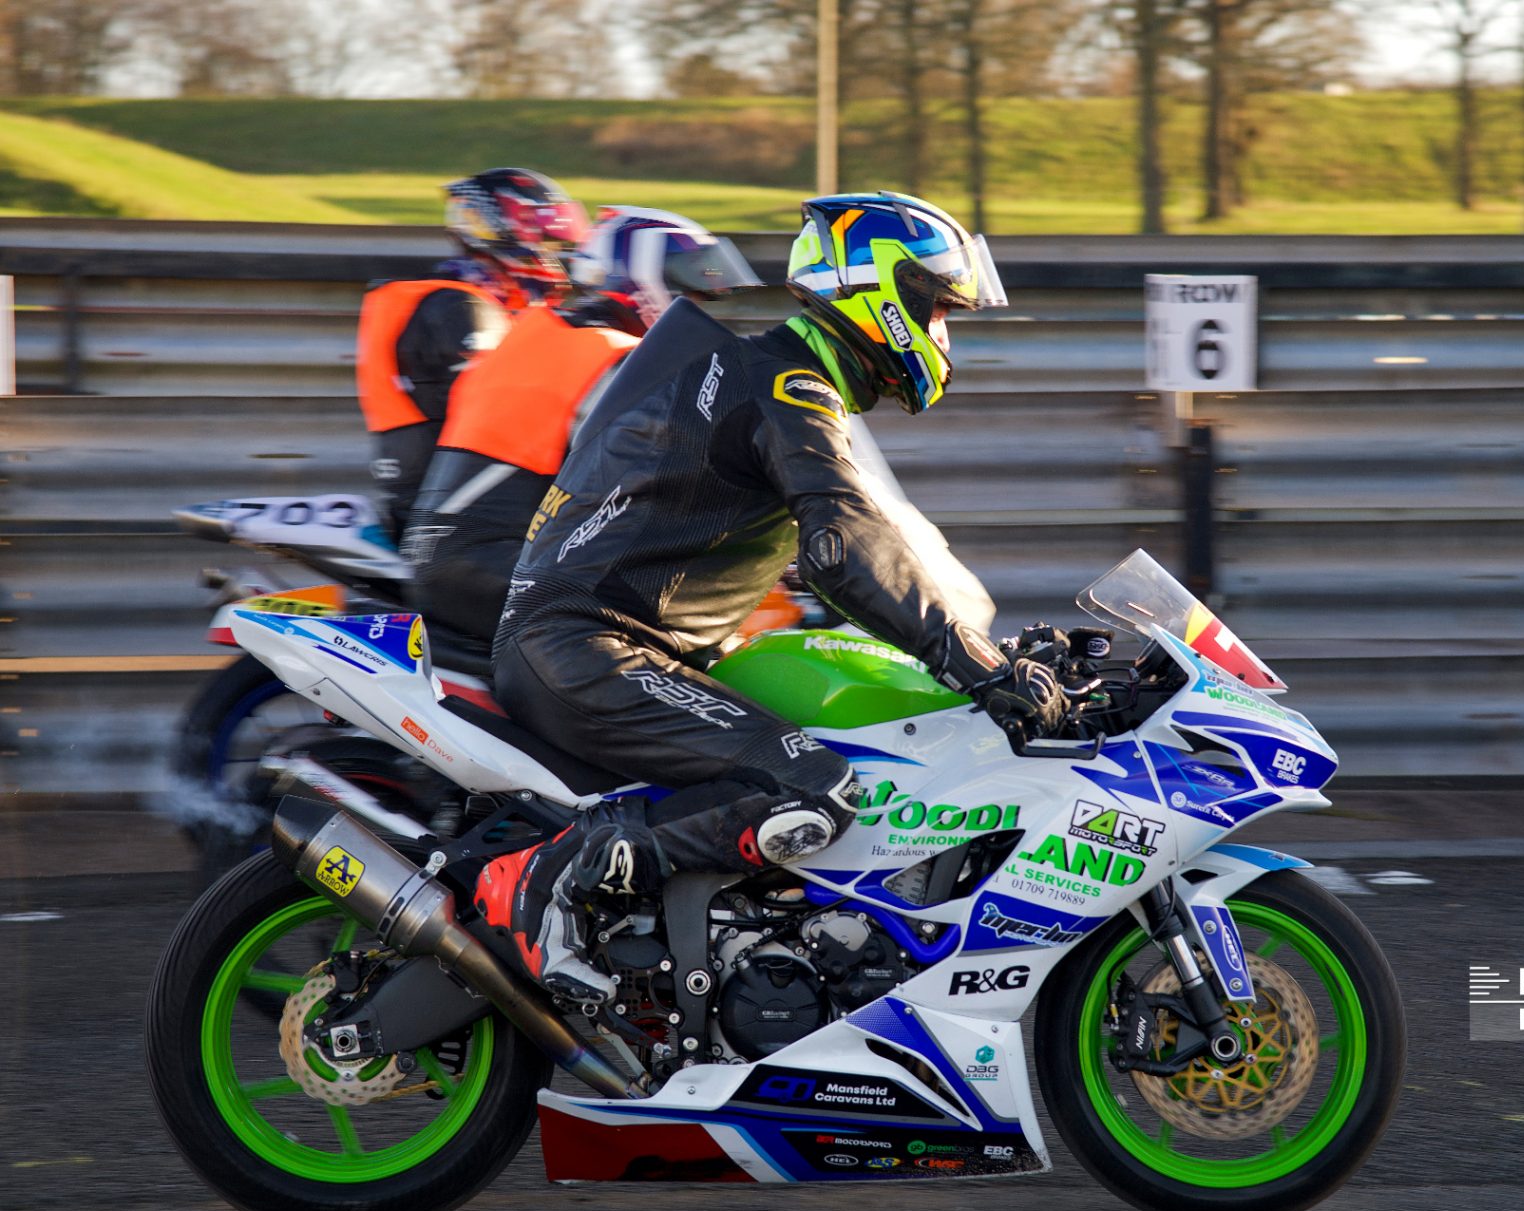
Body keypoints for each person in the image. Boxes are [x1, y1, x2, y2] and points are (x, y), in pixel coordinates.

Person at [474, 191, 1064, 1004]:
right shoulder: (789, 386)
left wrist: (978, 645)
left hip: (603, 643)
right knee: (813, 785)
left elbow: (847, 540)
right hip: (588, 649)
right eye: (935, 310)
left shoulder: (771, 377)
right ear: (880, 291)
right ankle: (555, 880)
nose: (940, 334)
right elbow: (843, 546)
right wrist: (976, 663)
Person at [401, 207, 761, 645]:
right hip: (500, 564)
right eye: (689, 290)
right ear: (645, 278)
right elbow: (667, 477)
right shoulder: (616, 358)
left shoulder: (541, 330)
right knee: (682, 637)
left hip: (452, 557)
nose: (699, 308)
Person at [356, 168, 588, 541]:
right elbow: (498, 415)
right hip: (460, 517)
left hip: (461, 499)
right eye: (546, 242)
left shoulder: (475, 303)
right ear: (497, 228)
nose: (553, 256)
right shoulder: (461, 307)